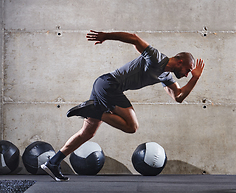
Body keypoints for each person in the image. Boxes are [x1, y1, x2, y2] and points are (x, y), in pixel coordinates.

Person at [41, 30, 205, 181]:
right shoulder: (156, 57)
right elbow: (134, 38)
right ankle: (95, 111)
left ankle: (53, 163)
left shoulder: (165, 76)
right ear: (180, 61)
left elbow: (178, 97)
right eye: (188, 70)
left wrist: (195, 79)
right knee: (131, 126)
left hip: (104, 86)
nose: (186, 74)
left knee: (87, 133)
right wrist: (105, 36)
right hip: (109, 85)